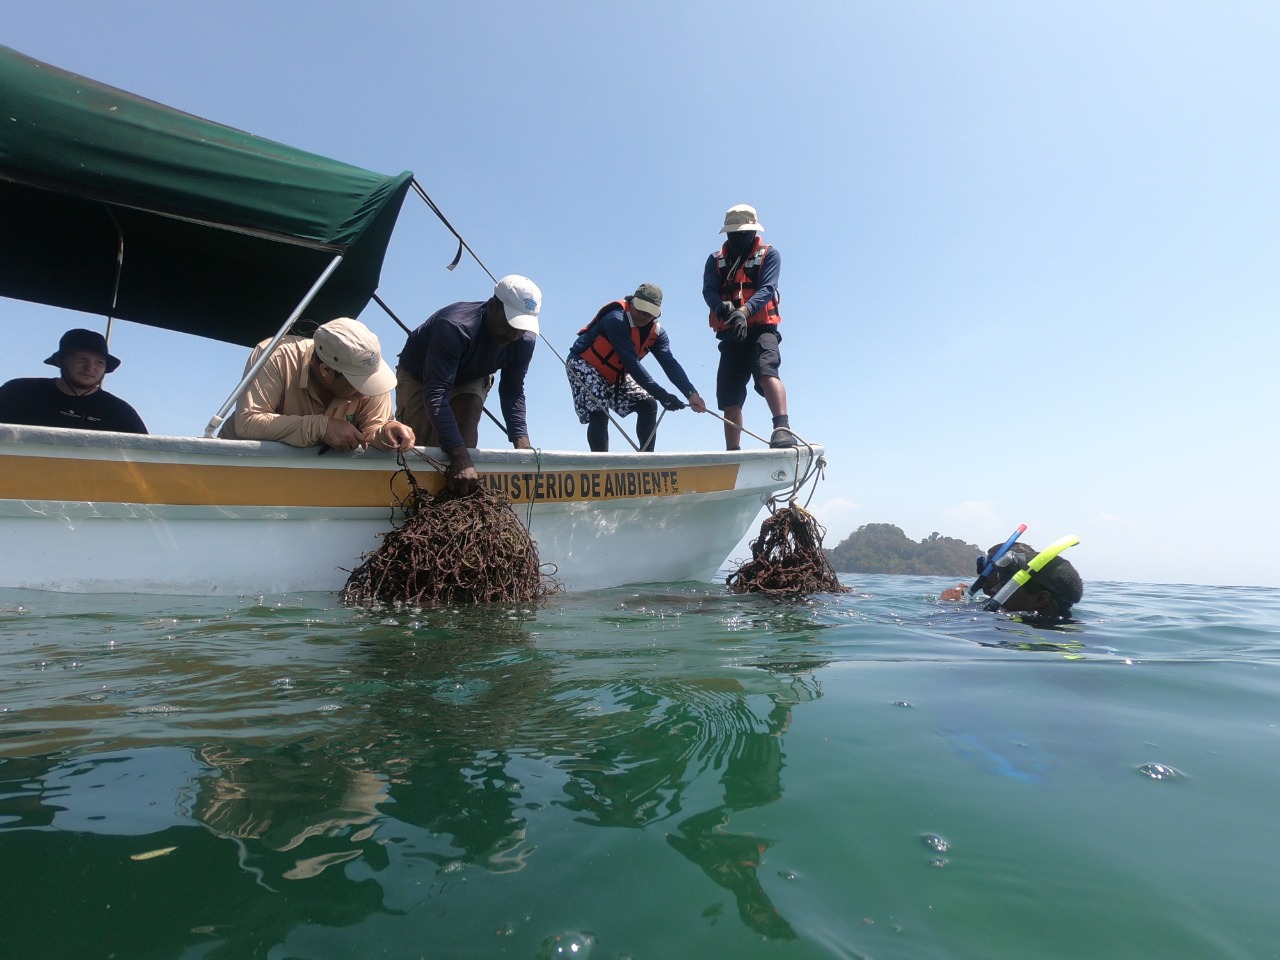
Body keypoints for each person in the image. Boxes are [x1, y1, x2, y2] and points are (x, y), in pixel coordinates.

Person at [395, 275, 541, 493]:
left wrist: (522, 444)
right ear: (492, 306)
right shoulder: (455, 326)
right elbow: (436, 393)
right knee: (419, 447)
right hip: (421, 375)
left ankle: (460, 493)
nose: (514, 334)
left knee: (466, 424)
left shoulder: (523, 341)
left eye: (522, 326)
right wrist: (458, 455)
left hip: (473, 374)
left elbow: (512, 390)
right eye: (511, 324)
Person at [218, 317, 414, 452]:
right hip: (240, 467)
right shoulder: (275, 355)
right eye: (359, 383)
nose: (367, 392)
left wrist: (387, 431)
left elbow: (373, 431)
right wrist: (322, 427)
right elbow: (248, 422)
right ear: (326, 371)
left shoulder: (365, 368)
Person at [566, 283, 707, 452]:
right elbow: (631, 363)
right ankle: (601, 464)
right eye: (640, 309)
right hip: (584, 364)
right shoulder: (615, 319)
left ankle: (647, 461)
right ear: (632, 302)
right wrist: (663, 395)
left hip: (615, 375)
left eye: (649, 313)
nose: (643, 315)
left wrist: (691, 393)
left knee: (648, 404)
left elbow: (669, 363)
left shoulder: (657, 334)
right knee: (599, 410)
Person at [702, 204, 797, 450]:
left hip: (761, 329)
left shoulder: (770, 255)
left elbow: (767, 288)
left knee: (766, 370)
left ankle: (782, 428)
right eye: (732, 233)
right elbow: (709, 290)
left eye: (741, 233)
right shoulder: (715, 261)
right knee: (729, 394)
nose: (736, 237)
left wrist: (744, 312)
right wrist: (723, 308)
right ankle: (732, 450)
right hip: (730, 334)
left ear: (752, 232)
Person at [0, 328, 147, 433]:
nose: (90, 367)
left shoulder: (121, 413)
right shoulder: (18, 392)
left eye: (99, 363)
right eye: (81, 359)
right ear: (60, 360)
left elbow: (144, 459)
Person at [941, 541, 1083, 618]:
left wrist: (945, 604)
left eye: (1006, 583)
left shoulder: (1006, 625)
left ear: (1040, 600)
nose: (994, 589)